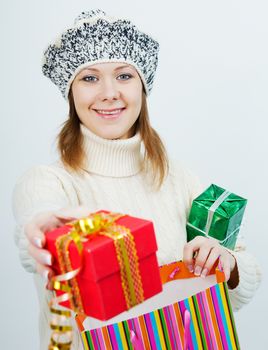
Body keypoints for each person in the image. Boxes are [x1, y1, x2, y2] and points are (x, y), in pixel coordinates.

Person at [12, 9, 261, 350]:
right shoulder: (49, 182)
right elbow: (38, 225)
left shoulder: (179, 179)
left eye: (124, 76)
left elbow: (241, 278)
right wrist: (41, 235)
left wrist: (226, 263)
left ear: (143, 87)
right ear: (71, 93)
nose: (109, 92)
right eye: (89, 78)